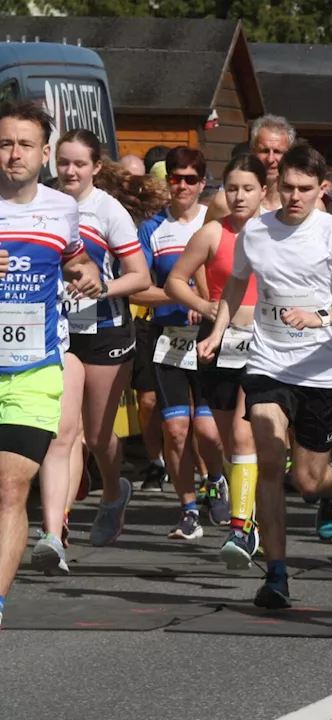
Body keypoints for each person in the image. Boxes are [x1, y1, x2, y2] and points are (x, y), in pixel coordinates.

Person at [197, 144, 332, 608]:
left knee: (308, 481)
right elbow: (236, 282)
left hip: (321, 370)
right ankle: (276, 574)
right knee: (270, 461)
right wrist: (217, 330)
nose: (295, 197)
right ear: (277, 186)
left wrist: (322, 318)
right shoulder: (256, 230)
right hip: (268, 363)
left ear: (321, 190)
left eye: (305, 190)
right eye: (288, 187)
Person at [0, 99, 102, 627]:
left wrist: (86, 274)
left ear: (44, 154)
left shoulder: (62, 209)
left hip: (32, 366)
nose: (12, 154)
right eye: (4, 143)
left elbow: (74, 258)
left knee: (11, 486)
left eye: (23, 144)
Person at [39, 131, 152, 564]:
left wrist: (102, 287)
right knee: (63, 434)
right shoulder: (44, 203)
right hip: (60, 330)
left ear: (96, 168)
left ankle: (112, 491)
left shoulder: (109, 210)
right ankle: (56, 532)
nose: (70, 171)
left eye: (79, 165)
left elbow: (140, 276)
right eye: (64, 163)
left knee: (101, 434)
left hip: (107, 329)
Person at [166, 154, 267, 568]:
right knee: (229, 441)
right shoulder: (212, 233)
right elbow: (174, 280)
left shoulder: (278, 229)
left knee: (244, 438)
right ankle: (249, 511)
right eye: (232, 188)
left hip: (268, 345)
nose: (239, 196)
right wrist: (206, 309)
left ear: (263, 190)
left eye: (248, 188)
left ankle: (241, 527)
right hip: (222, 344)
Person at [131, 147, 228, 540]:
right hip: (169, 336)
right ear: (166, 181)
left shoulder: (213, 222)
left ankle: (217, 478)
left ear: (202, 183)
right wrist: (181, 297)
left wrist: (207, 305)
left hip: (211, 334)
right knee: (175, 430)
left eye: (191, 179)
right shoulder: (152, 228)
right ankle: (188, 510)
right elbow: (139, 291)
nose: (183, 186)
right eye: (176, 178)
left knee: (207, 430)